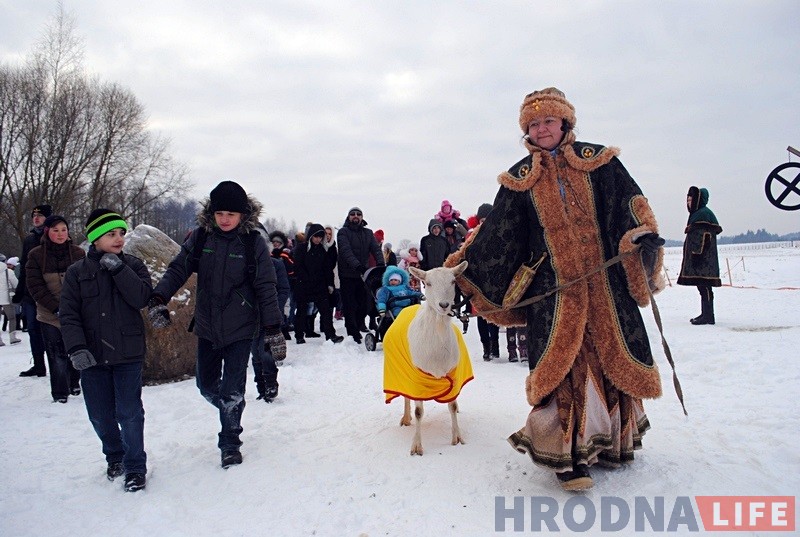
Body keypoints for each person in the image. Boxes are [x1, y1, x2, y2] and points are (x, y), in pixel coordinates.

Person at [448, 87, 666, 491]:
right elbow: (498, 235)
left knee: (607, 361)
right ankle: (567, 459)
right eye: (533, 124)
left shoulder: (599, 162)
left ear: (565, 122)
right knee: (564, 371)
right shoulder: (519, 179)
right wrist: (458, 271)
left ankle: (611, 444)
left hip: (606, 286)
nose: (541, 128)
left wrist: (640, 237)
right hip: (555, 294)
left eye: (548, 120)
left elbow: (631, 206)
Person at [148, 181, 286, 468]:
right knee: (205, 385)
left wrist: (273, 329)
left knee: (232, 389)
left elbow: (266, 287)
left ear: (242, 215)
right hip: (208, 325)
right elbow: (178, 268)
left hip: (241, 327)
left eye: (231, 214)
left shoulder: (252, 243)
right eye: (220, 213)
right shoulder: (200, 238)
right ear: (212, 213)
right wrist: (159, 297)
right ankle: (230, 407)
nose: (224, 219)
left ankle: (230, 442)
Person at [59, 209, 152, 492]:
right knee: (99, 413)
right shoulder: (77, 273)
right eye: (111, 234)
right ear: (95, 238)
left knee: (129, 412)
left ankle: (135, 466)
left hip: (128, 353)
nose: (119, 238)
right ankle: (115, 457)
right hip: (92, 355)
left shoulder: (133, 265)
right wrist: (76, 348)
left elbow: (141, 298)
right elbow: (69, 315)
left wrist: (118, 269)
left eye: (122, 233)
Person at [25, 215, 85, 402]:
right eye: (55, 230)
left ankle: (75, 382)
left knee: (75, 349)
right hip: (48, 314)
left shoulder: (78, 254)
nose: (60, 234)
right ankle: (60, 392)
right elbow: (35, 286)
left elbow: (85, 282)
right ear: (47, 232)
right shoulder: (35, 255)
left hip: (75, 312)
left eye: (64, 230)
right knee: (56, 353)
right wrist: (54, 307)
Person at [250, 222, 290, 402]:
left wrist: (277, 307)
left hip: (270, 314)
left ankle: (271, 383)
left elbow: (283, 289)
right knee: (255, 353)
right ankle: (260, 386)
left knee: (266, 351)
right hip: (249, 316)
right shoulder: (244, 266)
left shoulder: (276, 264)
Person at [336, 207, 384, 344]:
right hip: (348, 274)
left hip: (364, 275)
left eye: (358, 214)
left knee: (364, 304)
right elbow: (346, 251)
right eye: (352, 214)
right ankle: (353, 332)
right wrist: (358, 266)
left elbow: (375, 248)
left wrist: (380, 263)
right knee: (350, 305)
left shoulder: (368, 233)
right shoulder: (343, 233)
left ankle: (359, 324)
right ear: (348, 217)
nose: (355, 216)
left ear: (362, 217)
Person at [14, 204, 51, 377]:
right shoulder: (29, 239)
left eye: (40, 215)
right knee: (33, 331)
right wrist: (20, 292)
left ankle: (60, 367)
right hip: (30, 294)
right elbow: (24, 267)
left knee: (51, 331)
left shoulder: (55, 235)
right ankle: (38, 365)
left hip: (49, 292)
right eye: (34, 215)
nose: (36, 218)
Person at [292, 223, 344, 345]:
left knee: (325, 311)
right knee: (301, 311)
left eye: (321, 237)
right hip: (303, 285)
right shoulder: (301, 248)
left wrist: (330, 284)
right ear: (311, 236)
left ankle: (330, 335)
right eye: (316, 236)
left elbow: (327, 269)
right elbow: (298, 267)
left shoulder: (323, 250)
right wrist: (305, 279)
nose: (318, 239)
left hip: (320, 285)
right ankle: (299, 335)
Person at [677, 186, 722, 325]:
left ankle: (708, 316)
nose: (688, 203)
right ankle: (706, 314)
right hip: (702, 259)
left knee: (705, 286)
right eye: (688, 200)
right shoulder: (698, 213)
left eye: (691, 200)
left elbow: (702, 237)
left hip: (703, 260)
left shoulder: (703, 214)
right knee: (703, 287)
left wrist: (697, 254)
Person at [375, 266, 422, 338]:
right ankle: (402, 330)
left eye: (395, 280)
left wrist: (420, 295)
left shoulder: (405, 287)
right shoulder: (386, 289)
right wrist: (382, 308)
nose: (393, 281)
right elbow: (382, 299)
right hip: (395, 307)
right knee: (400, 314)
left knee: (416, 312)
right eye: (391, 280)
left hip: (408, 306)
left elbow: (412, 292)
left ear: (400, 281)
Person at [1, 255, 22, 346]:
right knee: (12, 318)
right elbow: (16, 284)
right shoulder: (8, 271)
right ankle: (12, 337)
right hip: (6, 298)